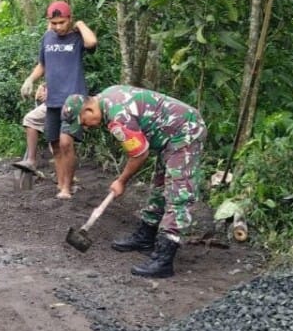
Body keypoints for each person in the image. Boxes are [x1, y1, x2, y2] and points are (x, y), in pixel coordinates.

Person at [60, 86, 208, 279]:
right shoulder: (107, 97)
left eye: (83, 122)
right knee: (160, 186)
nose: (86, 127)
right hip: (172, 136)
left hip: (186, 131)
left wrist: (121, 181)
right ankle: (146, 237)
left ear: (88, 109)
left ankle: (164, 259)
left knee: (178, 193)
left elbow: (139, 154)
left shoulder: (117, 116)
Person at [19, 1, 97, 199]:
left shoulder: (77, 38)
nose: (58, 27)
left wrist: (80, 24)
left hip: (73, 100)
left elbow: (92, 43)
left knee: (66, 143)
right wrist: (30, 80)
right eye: (54, 23)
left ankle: (66, 188)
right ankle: (61, 185)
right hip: (52, 100)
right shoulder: (47, 38)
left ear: (69, 19)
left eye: (62, 22)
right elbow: (42, 64)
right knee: (54, 144)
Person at [13, 84, 49, 173]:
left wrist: (52, 93)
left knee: (30, 119)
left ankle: (31, 161)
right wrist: (43, 86)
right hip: (60, 99)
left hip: (63, 100)